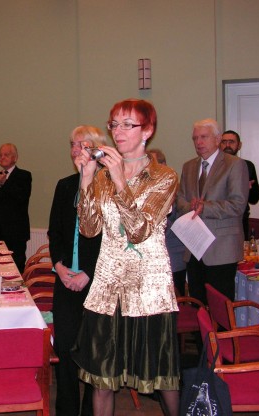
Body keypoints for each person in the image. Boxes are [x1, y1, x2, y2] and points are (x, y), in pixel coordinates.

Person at [71, 99, 180, 416]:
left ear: (147, 131)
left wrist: (120, 180)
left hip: (149, 287)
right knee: (101, 380)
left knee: (163, 377)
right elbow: (89, 229)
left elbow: (139, 231)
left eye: (127, 124)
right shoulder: (102, 176)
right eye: (114, 124)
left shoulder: (163, 176)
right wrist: (87, 178)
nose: (118, 131)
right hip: (108, 286)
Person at [48, 126, 104, 416]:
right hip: (65, 279)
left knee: (94, 353)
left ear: (96, 149)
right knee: (65, 348)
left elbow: (110, 241)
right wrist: (59, 267)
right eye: (73, 144)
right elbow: (55, 232)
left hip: (97, 282)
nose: (75, 150)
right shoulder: (65, 185)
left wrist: (88, 273)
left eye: (82, 144)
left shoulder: (109, 185)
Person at [176, 119, 248, 304]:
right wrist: (190, 206)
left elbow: (238, 204)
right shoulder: (188, 166)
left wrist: (205, 207)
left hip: (222, 248)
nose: (198, 142)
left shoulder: (234, 164)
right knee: (197, 305)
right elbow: (180, 200)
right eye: (195, 138)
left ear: (217, 139)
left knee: (220, 308)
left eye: (203, 137)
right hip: (194, 247)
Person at [0, 143, 32, 271]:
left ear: (15, 158)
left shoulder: (24, 175)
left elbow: (21, 197)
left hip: (16, 232)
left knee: (16, 268)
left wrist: (4, 182)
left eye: (6, 155)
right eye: (0, 155)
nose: (2, 157)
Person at [148, 148, 187, 296]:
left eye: (153, 165)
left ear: (163, 165)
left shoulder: (175, 188)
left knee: (175, 298)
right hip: (151, 258)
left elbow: (177, 220)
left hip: (173, 256)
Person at [219, 130, 259, 238]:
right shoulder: (213, 166)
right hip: (218, 219)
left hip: (240, 220)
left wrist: (247, 189)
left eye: (231, 142)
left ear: (239, 145)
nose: (227, 145)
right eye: (224, 142)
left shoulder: (247, 166)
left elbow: (255, 199)